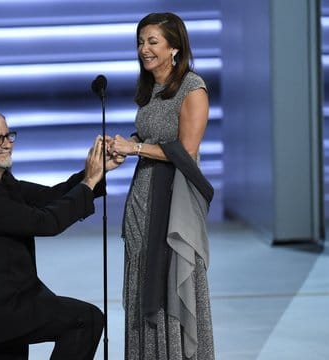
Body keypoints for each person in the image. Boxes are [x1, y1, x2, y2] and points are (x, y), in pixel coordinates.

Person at [0, 109, 122, 360]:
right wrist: (88, 184)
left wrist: (97, 172)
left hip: (4, 310)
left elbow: (48, 198)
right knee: (84, 320)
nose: (6, 144)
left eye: (8, 136)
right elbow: (45, 222)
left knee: (84, 319)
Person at [107, 12, 216, 360]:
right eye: (141, 42)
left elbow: (186, 151)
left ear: (174, 48)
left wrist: (135, 147)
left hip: (174, 202)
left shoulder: (192, 88)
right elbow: (155, 136)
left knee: (172, 278)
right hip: (143, 198)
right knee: (141, 279)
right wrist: (126, 143)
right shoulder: (151, 89)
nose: (144, 49)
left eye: (152, 41)